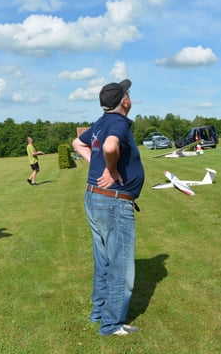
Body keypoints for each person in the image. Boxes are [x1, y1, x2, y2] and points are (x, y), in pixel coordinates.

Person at [72, 79, 145, 336]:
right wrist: (111, 168)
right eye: (128, 94)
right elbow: (110, 146)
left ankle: (99, 313)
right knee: (120, 265)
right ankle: (112, 324)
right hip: (113, 202)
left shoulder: (101, 122)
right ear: (124, 101)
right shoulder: (118, 123)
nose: (130, 97)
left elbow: (77, 143)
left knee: (103, 260)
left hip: (95, 198)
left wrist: (98, 163)